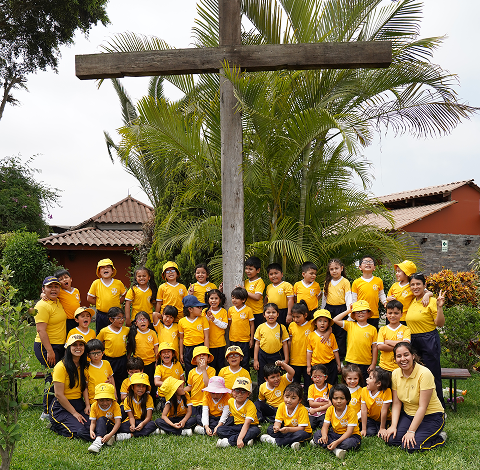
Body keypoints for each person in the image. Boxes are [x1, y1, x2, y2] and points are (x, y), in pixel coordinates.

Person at [381, 342, 446, 452]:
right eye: (399, 356)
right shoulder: (395, 374)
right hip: (409, 415)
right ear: (395, 359)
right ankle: (418, 431)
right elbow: (396, 403)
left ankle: (440, 437)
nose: (403, 359)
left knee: (410, 446)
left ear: (413, 356)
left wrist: (411, 431)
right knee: (391, 440)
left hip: (431, 416)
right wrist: (393, 426)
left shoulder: (424, 374)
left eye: (406, 355)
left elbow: (422, 407)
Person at [405, 273, 445, 406]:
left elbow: (440, 324)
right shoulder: (412, 300)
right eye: (412, 284)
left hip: (429, 340)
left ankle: (438, 407)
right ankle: (421, 404)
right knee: (416, 373)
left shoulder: (432, 301)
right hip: (413, 341)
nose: (415, 287)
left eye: (418, 284)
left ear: (424, 285)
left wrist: (439, 307)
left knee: (432, 374)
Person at [33, 276, 67, 419]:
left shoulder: (57, 301)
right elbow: (41, 330)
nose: (53, 289)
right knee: (53, 376)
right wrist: (50, 350)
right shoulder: (42, 306)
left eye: (56, 286)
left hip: (59, 345)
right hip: (46, 346)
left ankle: (57, 406)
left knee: (59, 375)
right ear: (43, 289)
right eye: (49, 287)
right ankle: (46, 411)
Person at [49, 334, 91, 441]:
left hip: (79, 404)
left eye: (81, 345)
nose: (78, 347)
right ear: (68, 348)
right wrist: (74, 413)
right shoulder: (60, 367)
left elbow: (84, 387)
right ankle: (56, 426)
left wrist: (87, 405)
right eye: (74, 345)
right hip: (61, 407)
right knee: (80, 431)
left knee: (92, 426)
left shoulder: (84, 366)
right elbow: (58, 395)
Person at [332, 300, 378, 385]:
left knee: (365, 385)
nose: (360, 313)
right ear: (354, 314)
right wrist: (348, 311)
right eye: (357, 311)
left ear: (368, 313)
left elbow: (375, 347)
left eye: (363, 311)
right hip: (351, 361)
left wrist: (373, 363)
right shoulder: (350, 325)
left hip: (366, 362)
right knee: (350, 384)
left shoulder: (373, 329)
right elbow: (335, 320)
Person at [312, 384, 362, 460]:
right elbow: (325, 425)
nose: (339, 401)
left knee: (348, 443)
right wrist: (324, 436)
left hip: (350, 436)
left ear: (347, 399)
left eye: (342, 398)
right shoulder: (330, 409)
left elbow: (349, 432)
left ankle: (326, 444)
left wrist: (337, 442)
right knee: (318, 434)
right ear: (331, 400)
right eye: (335, 398)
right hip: (335, 434)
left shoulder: (351, 412)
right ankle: (336, 450)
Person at [260, 382, 312, 449]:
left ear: (299, 400)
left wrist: (288, 429)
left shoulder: (302, 409)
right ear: (283, 396)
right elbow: (278, 421)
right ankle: (292, 442)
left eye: (293, 398)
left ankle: (275, 441)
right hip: (286, 430)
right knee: (270, 428)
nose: (289, 400)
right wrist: (277, 427)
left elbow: (301, 428)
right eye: (287, 397)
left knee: (301, 434)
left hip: (301, 431)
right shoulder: (282, 406)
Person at [216, 377, 261, 448]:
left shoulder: (250, 405)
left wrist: (240, 439)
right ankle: (246, 440)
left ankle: (228, 442)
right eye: (237, 390)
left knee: (255, 431)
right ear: (232, 391)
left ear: (248, 394)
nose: (240, 394)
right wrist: (218, 425)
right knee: (220, 430)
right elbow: (226, 414)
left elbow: (247, 423)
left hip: (250, 426)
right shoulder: (230, 401)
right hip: (237, 426)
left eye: (243, 392)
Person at [320, 259, 351, 361]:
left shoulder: (345, 282)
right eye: (331, 269)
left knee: (341, 334)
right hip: (329, 309)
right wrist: (322, 310)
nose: (334, 271)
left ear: (341, 269)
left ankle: (340, 358)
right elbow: (324, 298)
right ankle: (329, 355)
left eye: (336, 268)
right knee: (329, 332)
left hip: (341, 310)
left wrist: (349, 313)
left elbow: (348, 297)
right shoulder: (327, 282)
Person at [97, 307, 130, 400]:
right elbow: (98, 342)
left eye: (123, 317)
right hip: (109, 360)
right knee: (110, 380)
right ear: (111, 319)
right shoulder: (104, 331)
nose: (121, 320)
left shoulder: (126, 330)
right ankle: (110, 398)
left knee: (122, 380)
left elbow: (130, 341)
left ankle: (121, 399)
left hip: (122, 359)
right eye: (118, 318)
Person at [87, 258, 127, 335]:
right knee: (101, 334)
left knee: (116, 333)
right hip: (101, 315)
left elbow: (124, 295)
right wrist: (100, 303)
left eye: (108, 267)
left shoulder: (118, 283)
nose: (105, 269)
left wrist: (118, 302)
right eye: (102, 267)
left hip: (116, 315)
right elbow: (89, 298)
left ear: (112, 271)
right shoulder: (96, 283)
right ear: (99, 272)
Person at [253, 303, 289, 385]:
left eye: (273, 312)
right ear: (264, 315)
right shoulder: (261, 327)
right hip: (262, 356)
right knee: (262, 376)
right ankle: (262, 392)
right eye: (268, 312)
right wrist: (255, 360)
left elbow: (285, 344)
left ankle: (276, 392)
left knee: (276, 376)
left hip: (276, 356)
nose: (271, 315)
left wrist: (286, 360)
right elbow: (257, 344)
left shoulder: (282, 327)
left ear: (278, 314)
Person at [126, 311, 159, 400]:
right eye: (140, 320)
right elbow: (130, 348)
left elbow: (156, 348)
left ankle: (151, 400)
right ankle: (138, 400)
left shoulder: (152, 333)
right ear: (136, 323)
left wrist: (157, 362)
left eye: (145, 319)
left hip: (150, 362)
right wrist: (128, 360)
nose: (142, 321)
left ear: (149, 322)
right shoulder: (134, 333)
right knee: (139, 383)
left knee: (150, 382)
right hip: (138, 365)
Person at [116, 372, 157, 440]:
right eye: (138, 385)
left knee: (153, 424)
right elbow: (131, 417)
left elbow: (148, 417)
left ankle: (130, 435)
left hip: (144, 421)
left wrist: (142, 424)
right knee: (121, 427)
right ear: (132, 387)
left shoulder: (148, 398)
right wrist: (132, 425)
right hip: (133, 421)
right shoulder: (127, 399)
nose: (141, 388)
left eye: (144, 386)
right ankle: (148, 432)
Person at [351, 255, 386, 330]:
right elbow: (354, 299)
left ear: (374, 267)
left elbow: (381, 294)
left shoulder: (378, 281)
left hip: (374, 314)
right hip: (360, 314)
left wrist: (385, 302)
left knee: (373, 334)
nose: (368, 263)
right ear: (360, 267)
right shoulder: (356, 282)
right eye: (365, 262)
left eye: (370, 262)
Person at [306, 309, 341, 385]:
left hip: (330, 364)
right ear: (315, 323)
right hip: (316, 365)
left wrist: (338, 364)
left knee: (332, 384)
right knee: (318, 384)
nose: (322, 323)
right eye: (320, 321)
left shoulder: (331, 336)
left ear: (328, 323)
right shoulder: (311, 335)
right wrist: (308, 366)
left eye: (325, 321)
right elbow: (309, 352)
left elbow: (335, 351)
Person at [179, 295, 210, 378]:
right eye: (198, 307)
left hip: (200, 348)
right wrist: (181, 354)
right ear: (190, 309)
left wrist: (206, 352)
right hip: (188, 349)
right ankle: (190, 386)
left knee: (202, 369)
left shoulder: (203, 319)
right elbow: (181, 339)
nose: (201, 309)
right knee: (189, 370)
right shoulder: (182, 321)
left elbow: (206, 337)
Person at [377, 300, 411, 372]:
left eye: (396, 313)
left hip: (400, 367)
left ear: (401, 314)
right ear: (386, 314)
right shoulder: (382, 329)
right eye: (390, 313)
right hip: (384, 367)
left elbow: (406, 344)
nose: (392, 315)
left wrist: (388, 342)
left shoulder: (406, 329)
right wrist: (400, 347)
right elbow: (380, 346)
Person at [88, 383, 122, 453]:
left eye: (108, 400)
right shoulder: (94, 406)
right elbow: (93, 423)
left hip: (111, 427)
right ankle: (107, 439)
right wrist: (91, 431)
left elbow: (118, 423)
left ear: (112, 399)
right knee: (81, 432)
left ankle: (98, 441)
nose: (105, 403)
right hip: (100, 427)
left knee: (102, 419)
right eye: (101, 400)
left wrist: (110, 434)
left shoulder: (115, 405)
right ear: (97, 400)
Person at [288, 300, 314, 390]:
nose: (295, 319)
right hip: (294, 360)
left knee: (308, 385)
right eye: (293, 317)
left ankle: (307, 398)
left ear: (305, 315)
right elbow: (290, 341)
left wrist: (327, 333)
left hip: (308, 362)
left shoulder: (312, 324)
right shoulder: (291, 325)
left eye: (298, 317)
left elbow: (328, 327)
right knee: (295, 385)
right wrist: (288, 355)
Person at [227, 287, 254, 369]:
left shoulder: (248, 310)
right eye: (233, 298)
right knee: (234, 360)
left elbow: (252, 325)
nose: (234, 300)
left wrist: (251, 339)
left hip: (244, 340)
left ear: (243, 299)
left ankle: (245, 376)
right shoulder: (230, 310)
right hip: (233, 340)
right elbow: (230, 324)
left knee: (245, 361)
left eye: (237, 298)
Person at [185, 346, 215, 419]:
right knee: (192, 418)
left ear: (208, 358)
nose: (201, 356)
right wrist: (180, 390)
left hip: (206, 402)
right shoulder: (191, 372)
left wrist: (204, 370)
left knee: (203, 418)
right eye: (198, 355)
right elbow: (190, 387)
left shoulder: (211, 370)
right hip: (193, 402)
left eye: (204, 354)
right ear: (195, 359)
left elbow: (208, 385)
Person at [360, 368, 392, 437]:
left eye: (370, 378)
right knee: (370, 433)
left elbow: (384, 411)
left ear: (378, 383)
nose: (366, 379)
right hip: (371, 419)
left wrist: (382, 428)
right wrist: (363, 429)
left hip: (385, 419)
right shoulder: (364, 390)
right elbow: (364, 410)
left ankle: (382, 427)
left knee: (382, 434)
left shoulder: (387, 392)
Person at [203, 289, 228, 374]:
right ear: (208, 300)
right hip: (209, 343)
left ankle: (220, 380)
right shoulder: (205, 311)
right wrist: (207, 316)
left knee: (220, 364)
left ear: (220, 300)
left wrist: (214, 320)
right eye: (211, 298)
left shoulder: (223, 311)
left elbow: (224, 326)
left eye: (216, 298)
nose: (214, 300)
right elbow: (203, 324)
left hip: (220, 343)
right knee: (211, 365)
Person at [86, 338, 115, 403]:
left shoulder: (106, 363)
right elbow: (85, 387)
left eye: (98, 353)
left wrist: (115, 394)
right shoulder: (87, 368)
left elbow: (111, 378)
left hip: (107, 399)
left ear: (103, 353)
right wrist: (87, 404)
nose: (96, 356)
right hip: (93, 400)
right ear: (88, 355)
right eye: (93, 353)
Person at [54, 268, 81, 334]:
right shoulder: (59, 292)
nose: (64, 280)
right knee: (69, 336)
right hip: (67, 321)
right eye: (61, 279)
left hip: (78, 319)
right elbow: (48, 293)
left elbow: (78, 303)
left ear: (71, 279)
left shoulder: (76, 291)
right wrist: (42, 295)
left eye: (66, 277)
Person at [244, 256, 266, 330]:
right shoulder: (245, 282)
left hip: (257, 313)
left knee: (257, 333)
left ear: (258, 270)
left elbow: (257, 297)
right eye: (246, 268)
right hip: (247, 312)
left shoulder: (259, 281)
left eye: (250, 269)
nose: (247, 271)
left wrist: (244, 291)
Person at [307, 364, 331, 429]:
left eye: (320, 376)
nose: (317, 379)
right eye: (315, 377)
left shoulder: (330, 387)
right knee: (310, 425)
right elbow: (311, 404)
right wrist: (326, 403)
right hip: (313, 411)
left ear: (325, 377)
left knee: (323, 425)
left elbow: (330, 405)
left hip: (325, 411)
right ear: (312, 378)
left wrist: (316, 409)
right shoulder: (311, 387)